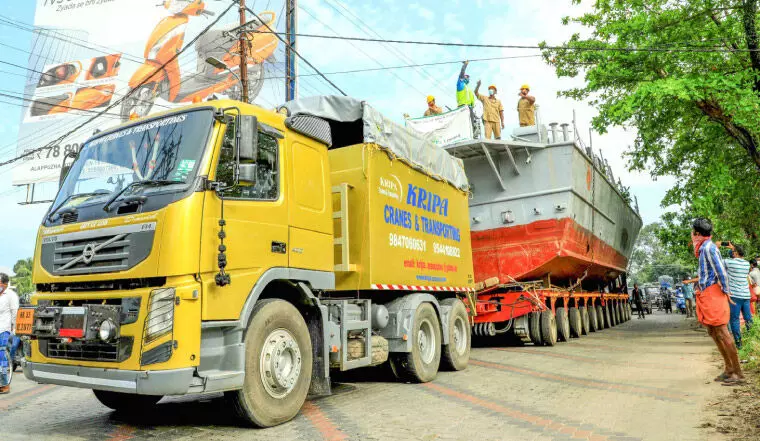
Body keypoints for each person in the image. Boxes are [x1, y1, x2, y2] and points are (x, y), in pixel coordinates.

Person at [690, 218, 743, 384]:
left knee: (722, 332)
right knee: (713, 332)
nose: (692, 235)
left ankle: (738, 373)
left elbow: (722, 272)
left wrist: (727, 292)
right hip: (707, 293)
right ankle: (729, 369)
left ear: (697, 234)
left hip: (714, 293)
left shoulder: (708, 248)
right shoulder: (704, 248)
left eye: (693, 233)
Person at [722, 242, 753, 348]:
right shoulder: (747, 264)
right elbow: (741, 256)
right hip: (746, 296)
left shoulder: (729, 262)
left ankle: (739, 344)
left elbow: (717, 261)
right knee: (748, 318)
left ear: (735, 253)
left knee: (734, 320)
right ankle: (751, 340)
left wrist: (722, 246)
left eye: (733, 251)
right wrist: (734, 248)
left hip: (735, 296)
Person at [0, 273, 19, 394]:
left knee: (1, 355)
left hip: (3, 329)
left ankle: (5, 384)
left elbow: (14, 312)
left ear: (5, 284)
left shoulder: (11, 295)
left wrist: (14, 328)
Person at [456, 61, 480, 138]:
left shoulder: (468, 89)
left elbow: (472, 101)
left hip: (470, 108)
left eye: (468, 77)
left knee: (472, 124)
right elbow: (462, 73)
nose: (467, 78)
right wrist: (465, 65)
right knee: (464, 124)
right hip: (462, 107)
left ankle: (473, 136)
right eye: (466, 76)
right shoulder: (460, 84)